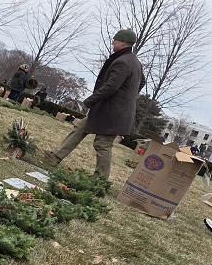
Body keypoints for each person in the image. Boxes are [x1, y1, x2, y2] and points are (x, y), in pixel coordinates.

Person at [41, 29, 144, 179]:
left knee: (102, 144)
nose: (112, 43)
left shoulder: (123, 61)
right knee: (80, 129)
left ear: (122, 42)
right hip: (106, 110)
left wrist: (89, 101)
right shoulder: (135, 62)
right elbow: (142, 82)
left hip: (112, 113)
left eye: (115, 40)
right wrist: (127, 95)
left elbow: (111, 86)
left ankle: (101, 179)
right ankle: (55, 156)